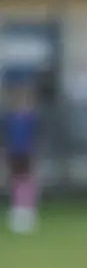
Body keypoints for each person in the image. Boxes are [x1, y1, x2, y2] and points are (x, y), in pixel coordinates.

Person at [3, 83, 39, 234]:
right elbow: (5, 137)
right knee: (15, 181)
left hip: (27, 153)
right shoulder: (8, 119)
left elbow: (37, 137)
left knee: (27, 181)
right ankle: (17, 209)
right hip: (13, 153)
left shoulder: (32, 119)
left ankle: (28, 210)